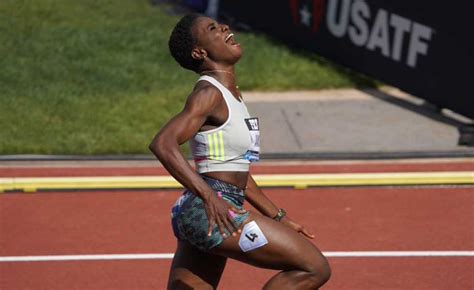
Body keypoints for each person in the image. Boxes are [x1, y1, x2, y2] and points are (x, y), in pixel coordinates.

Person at [149, 14, 331, 290]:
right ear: (199, 52)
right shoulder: (208, 95)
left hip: (210, 207)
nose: (224, 27)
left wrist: (278, 216)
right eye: (212, 28)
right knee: (313, 268)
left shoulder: (231, 95)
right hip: (211, 208)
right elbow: (163, 143)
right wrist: (210, 198)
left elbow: (238, 170)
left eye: (220, 24)